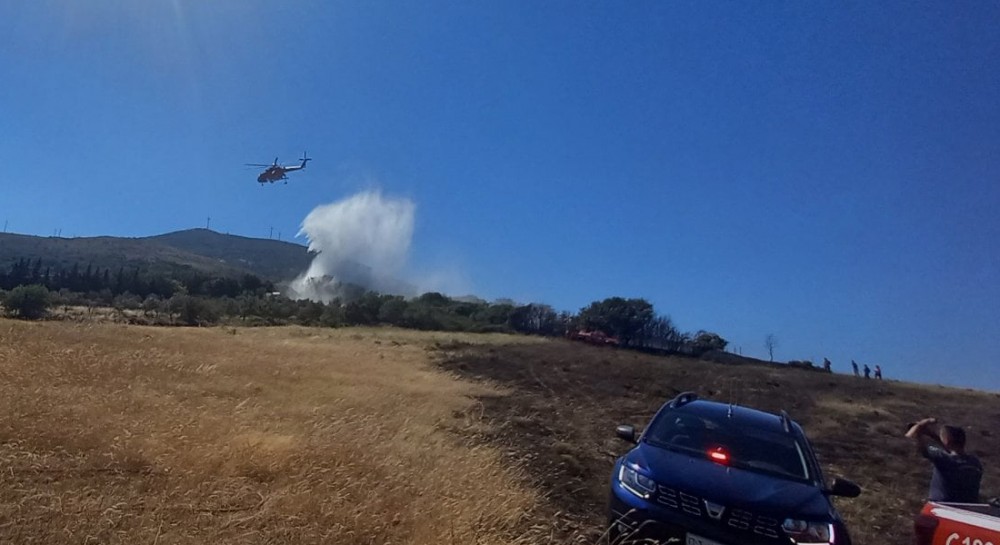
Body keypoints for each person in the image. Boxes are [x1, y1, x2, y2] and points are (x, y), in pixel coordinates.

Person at [906, 418, 983, 503]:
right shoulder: (974, 462)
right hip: (968, 509)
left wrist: (921, 424)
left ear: (946, 441)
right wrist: (932, 435)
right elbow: (948, 448)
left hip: (942, 507)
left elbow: (909, 439)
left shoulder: (943, 459)